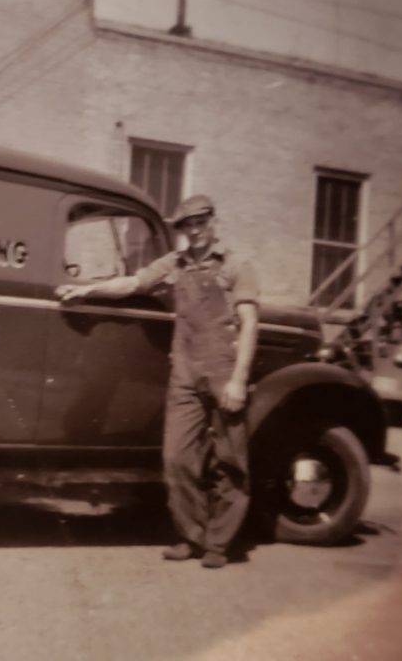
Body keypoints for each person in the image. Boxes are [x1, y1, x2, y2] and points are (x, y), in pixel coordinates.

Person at [56, 194, 259, 569]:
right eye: (186, 225)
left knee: (230, 460)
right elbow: (133, 283)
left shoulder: (235, 265)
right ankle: (191, 535)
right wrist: (87, 289)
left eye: (199, 222)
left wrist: (238, 378)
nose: (194, 231)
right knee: (177, 457)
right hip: (185, 372)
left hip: (224, 371)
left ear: (213, 222)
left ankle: (219, 543)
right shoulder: (175, 264)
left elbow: (249, 324)